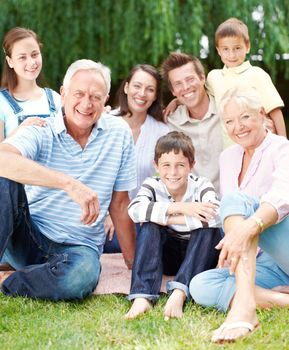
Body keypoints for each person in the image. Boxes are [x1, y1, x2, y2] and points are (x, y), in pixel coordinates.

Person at [0, 59, 137, 300]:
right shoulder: (41, 129)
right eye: (79, 94)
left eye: (95, 96)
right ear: (63, 94)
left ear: (105, 100)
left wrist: (133, 261)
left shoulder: (119, 133)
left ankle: (11, 282)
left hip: (79, 248)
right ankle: (33, 271)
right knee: (5, 178)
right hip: (29, 236)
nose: (86, 103)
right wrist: (67, 183)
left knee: (80, 277)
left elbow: (120, 203)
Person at [189, 86, 289, 343]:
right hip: (263, 261)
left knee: (236, 201)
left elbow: (282, 197)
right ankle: (279, 300)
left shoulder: (281, 148)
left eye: (244, 117)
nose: (238, 127)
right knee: (200, 285)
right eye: (230, 121)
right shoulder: (229, 157)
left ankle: (244, 309)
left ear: (261, 114)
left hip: (283, 244)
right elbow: (229, 214)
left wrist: (247, 229)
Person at [125, 131, 222, 320]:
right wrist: (182, 208)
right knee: (150, 226)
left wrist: (164, 216)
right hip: (166, 256)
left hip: (198, 256)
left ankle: (179, 292)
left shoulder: (202, 185)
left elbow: (215, 216)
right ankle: (143, 296)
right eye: (166, 165)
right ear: (156, 166)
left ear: (191, 166)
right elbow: (134, 211)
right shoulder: (152, 184)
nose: (173, 172)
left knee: (209, 230)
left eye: (180, 165)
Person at [104, 64, 169, 252]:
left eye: (150, 89)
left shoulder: (162, 132)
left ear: (155, 95)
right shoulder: (104, 122)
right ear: (126, 87)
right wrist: (112, 215)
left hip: (141, 218)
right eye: (137, 86)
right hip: (102, 218)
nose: (142, 94)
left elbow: (163, 184)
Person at [206, 17, 286, 142]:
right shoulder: (213, 77)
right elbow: (200, 97)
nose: (231, 55)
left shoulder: (257, 74)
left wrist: (283, 145)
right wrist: (177, 102)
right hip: (229, 148)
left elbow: (275, 111)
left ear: (247, 46)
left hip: (258, 144)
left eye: (237, 48)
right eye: (225, 49)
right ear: (218, 50)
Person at [161, 52, 223, 192]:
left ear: (202, 78)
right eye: (178, 84)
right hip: (193, 207)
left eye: (190, 79)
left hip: (234, 205)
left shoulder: (227, 111)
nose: (185, 87)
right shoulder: (169, 123)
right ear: (173, 91)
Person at [0, 27, 61, 142]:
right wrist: (22, 129)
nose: (31, 62)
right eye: (22, 57)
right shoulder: (1, 102)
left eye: (34, 55)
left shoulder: (56, 99)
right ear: (10, 61)